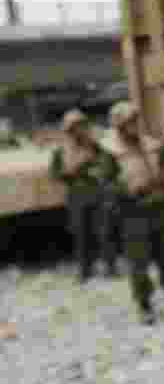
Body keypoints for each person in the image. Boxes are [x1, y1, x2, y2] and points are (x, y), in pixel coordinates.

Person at [107, 101, 164, 325]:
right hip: (134, 213)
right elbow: (106, 185)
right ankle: (145, 305)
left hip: (162, 207)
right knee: (139, 263)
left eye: (135, 120)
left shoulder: (154, 144)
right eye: (128, 122)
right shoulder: (111, 152)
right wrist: (130, 190)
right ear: (119, 126)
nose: (134, 125)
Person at [50, 109, 118, 282]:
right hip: (76, 196)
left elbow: (109, 166)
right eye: (76, 127)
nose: (81, 130)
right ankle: (84, 270)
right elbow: (55, 174)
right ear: (69, 130)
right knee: (81, 235)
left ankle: (110, 267)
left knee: (104, 232)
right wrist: (74, 169)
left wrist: (99, 173)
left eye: (83, 126)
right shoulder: (61, 151)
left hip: (97, 194)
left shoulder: (95, 147)